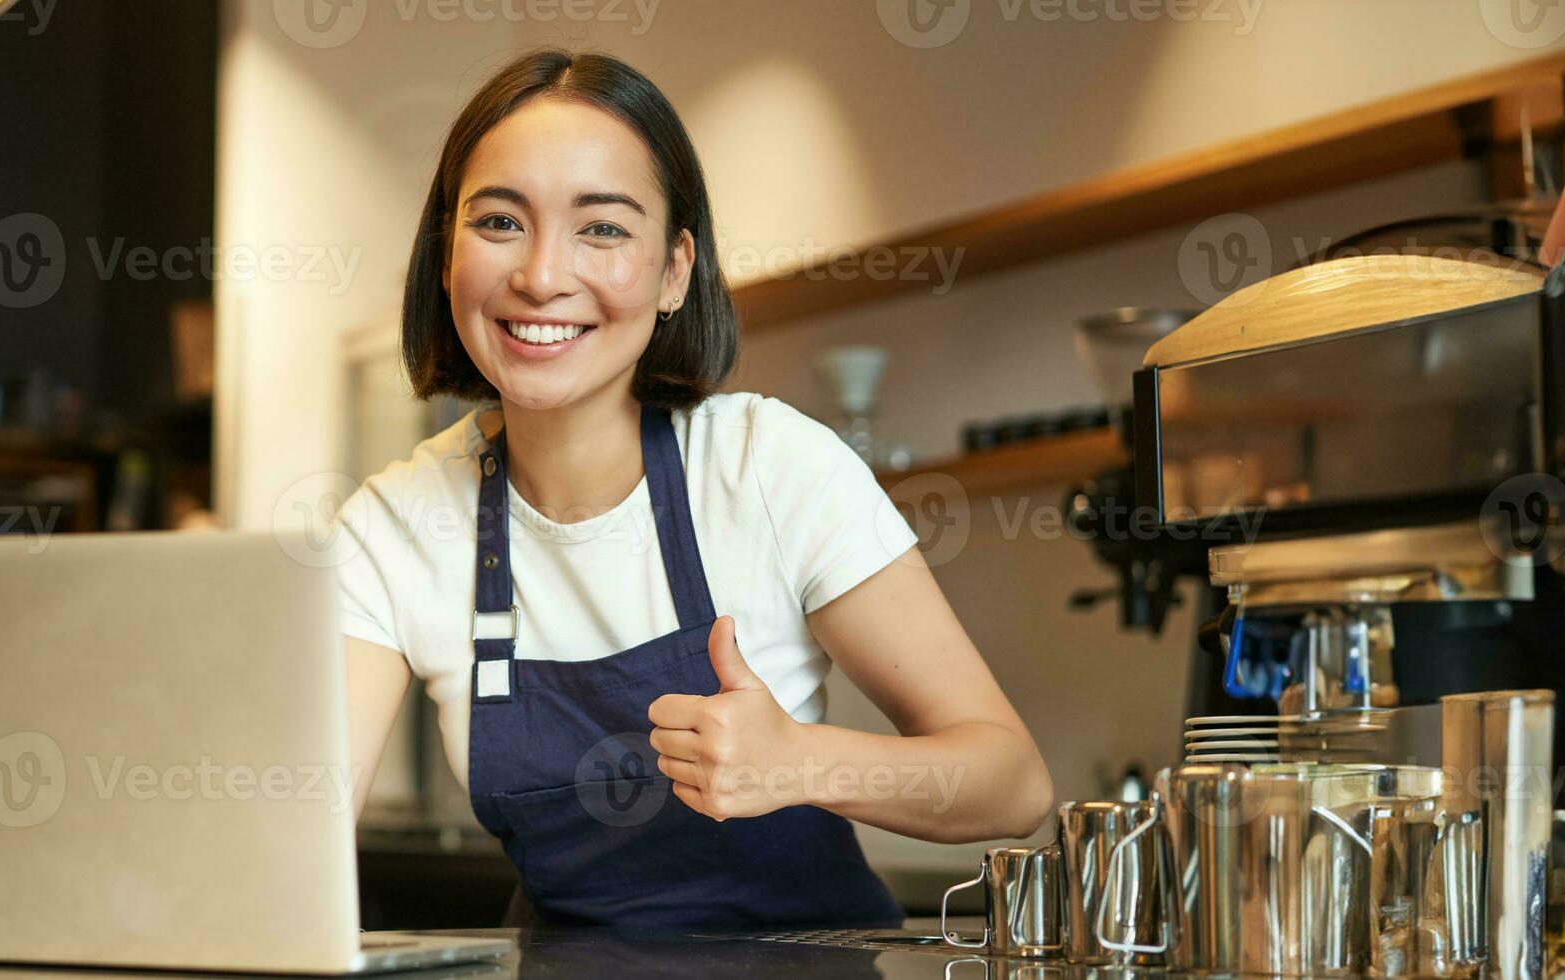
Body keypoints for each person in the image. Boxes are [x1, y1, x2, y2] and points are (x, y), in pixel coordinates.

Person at [330, 50, 1051, 929]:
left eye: (601, 228)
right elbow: (298, 824)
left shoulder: (769, 465)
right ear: (446, 257)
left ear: (675, 271)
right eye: (498, 221)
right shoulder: (393, 526)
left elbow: (1011, 783)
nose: (542, 275)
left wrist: (801, 761)